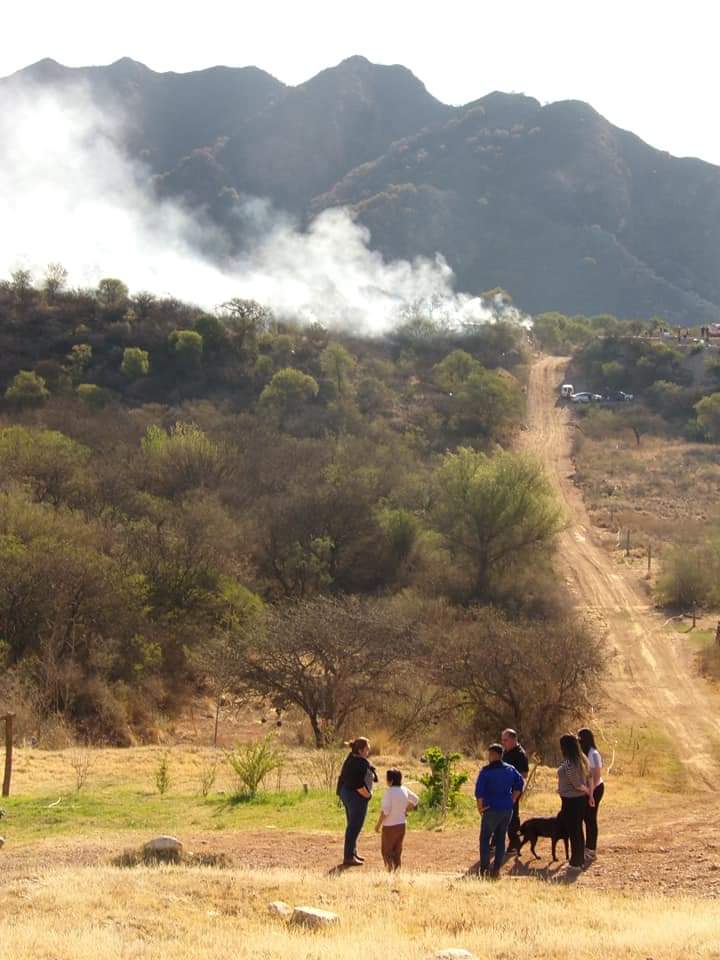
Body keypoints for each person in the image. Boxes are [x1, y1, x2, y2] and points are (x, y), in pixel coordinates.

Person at [474, 743, 525, 878]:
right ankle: (496, 869)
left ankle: (484, 869)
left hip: (491, 808)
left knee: (485, 838)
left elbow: (479, 792)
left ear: (493, 754)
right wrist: (513, 799)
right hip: (507, 809)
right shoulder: (510, 769)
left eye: (489, 754)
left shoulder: (486, 771)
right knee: (501, 838)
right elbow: (520, 784)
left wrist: (480, 807)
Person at [336, 737, 377, 866]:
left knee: (351, 824)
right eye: (367, 748)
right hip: (355, 796)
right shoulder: (361, 763)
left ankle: (352, 852)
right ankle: (348, 857)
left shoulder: (351, 757)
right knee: (354, 827)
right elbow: (358, 784)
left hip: (345, 792)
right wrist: (367, 796)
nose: (369, 750)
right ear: (360, 750)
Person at [557, 733, 593, 871]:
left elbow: (577, 784)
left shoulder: (568, 763)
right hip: (578, 800)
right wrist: (589, 795)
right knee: (578, 829)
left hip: (572, 800)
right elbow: (588, 777)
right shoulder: (582, 759)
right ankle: (579, 859)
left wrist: (587, 792)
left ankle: (576, 862)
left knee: (574, 831)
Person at [374, 768, 419, 871]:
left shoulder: (389, 793)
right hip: (402, 825)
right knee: (397, 852)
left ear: (391, 780)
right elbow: (416, 800)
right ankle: (397, 872)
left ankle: (390, 873)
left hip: (390, 827)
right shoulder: (404, 789)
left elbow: (385, 811)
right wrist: (406, 809)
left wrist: (378, 825)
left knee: (387, 852)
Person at [500, 728, 529, 854]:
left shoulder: (520, 754)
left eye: (505, 740)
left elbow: (524, 774)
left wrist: (515, 791)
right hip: (502, 789)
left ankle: (515, 844)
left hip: (514, 790)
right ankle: (496, 843)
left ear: (514, 739)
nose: (503, 743)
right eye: (502, 740)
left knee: (512, 817)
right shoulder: (506, 752)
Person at [577, 727, 604, 861]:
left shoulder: (594, 754)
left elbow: (596, 776)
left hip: (595, 789)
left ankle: (591, 850)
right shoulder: (583, 754)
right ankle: (585, 848)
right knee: (585, 818)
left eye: (580, 739)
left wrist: (590, 793)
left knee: (590, 819)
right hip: (587, 789)